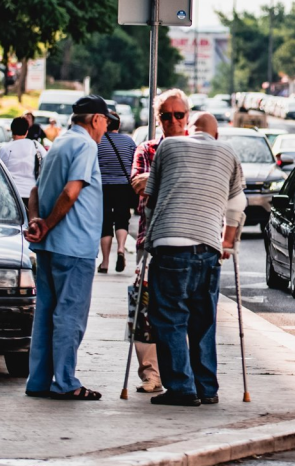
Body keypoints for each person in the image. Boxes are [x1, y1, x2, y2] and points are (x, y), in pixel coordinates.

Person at [133, 110, 245, 407]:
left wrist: (148, 235)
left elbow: (150, 197)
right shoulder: (228, 153)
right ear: (216, 135)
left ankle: (182, 388)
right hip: (208, 247)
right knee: (203, 320)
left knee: (169, 318)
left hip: (170, 244)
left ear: (189, 130)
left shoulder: (169, 146)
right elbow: (237, 205)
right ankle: (207, 388)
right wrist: (228, 240)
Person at [24, 95, 109, 401]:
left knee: (46, 315)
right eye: (106, 122)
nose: (106, 128)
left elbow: (35, 190)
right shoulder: (86, 145)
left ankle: (38, 381)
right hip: (74, 247)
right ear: (96, 120)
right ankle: (65, 382)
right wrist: (48, 223)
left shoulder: (58, 143)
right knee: (69, 317)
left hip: (49, 248)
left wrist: (37, 220)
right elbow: (71, 192)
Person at [125, 88, 191, 395]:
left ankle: (180, 374)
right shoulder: (147, 149)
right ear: (158, 119)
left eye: (179, 115)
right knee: (145, 309)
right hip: (150, 241)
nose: (173, 122)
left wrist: (155, 182)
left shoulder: (197, 149)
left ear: (187, 117)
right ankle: (151, 375)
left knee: (184, 311)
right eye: (166, 116)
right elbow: (139, 191)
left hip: (190, 241)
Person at [97, 112, 137, 274]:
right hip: (123, 186)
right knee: (122, 219)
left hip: (103, 187)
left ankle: (105, 262)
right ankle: (121, 248)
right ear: (119, 126)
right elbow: (135, 163)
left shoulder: (98, 142)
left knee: (105, 223)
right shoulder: (128, 141)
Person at [0, 117, 46, 210]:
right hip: (32, 194)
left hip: (12, 194)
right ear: (27, 131)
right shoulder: (36, 146)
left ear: (11, 130)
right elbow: (47, 164)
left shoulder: (5, 148)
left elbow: (1, 172)